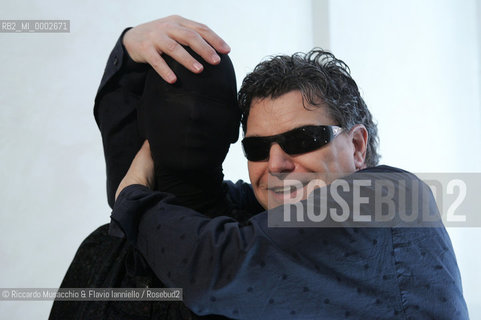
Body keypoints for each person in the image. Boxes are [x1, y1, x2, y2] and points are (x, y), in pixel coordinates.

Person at [109, 16, 469, 320]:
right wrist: (129, 52)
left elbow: (215, 266)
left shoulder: (393, 201)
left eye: (304, 139)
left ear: (357, 146)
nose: (277, 164)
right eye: (258, 148)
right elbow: (182, 200)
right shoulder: (270, 220)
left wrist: (132, 199)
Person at [49, 22, 260, 319]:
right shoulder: (102, 250)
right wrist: (126, 47)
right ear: (143, 119)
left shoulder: (261, 241)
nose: (195, 114)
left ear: (235, 128)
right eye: (176, 100)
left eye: (211, 104)